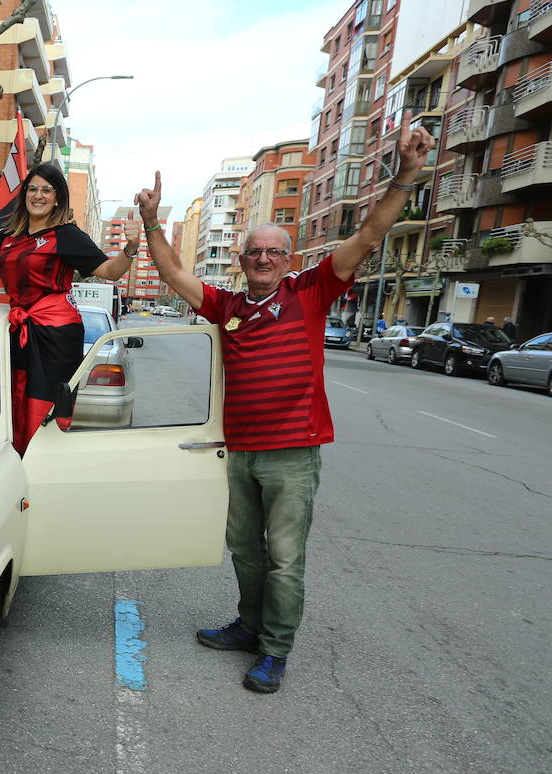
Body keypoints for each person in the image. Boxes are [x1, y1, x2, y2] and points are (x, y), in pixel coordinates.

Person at [135, 115, 435, 694]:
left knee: (284, 559)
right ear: (241, 260)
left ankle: (275, 650)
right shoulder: (226, 306)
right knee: (245, 551)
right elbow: (171, 271)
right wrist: (150, 221)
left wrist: (406, 175)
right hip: (240, 451)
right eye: (255, 252)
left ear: (288, 258)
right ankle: (249, 626)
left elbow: (368, 237)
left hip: (292, 454)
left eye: (274, 252)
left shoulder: (312, 291)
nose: (264, 259)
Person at [0, 163, 134, 454]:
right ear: (25, 194)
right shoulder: (10, 235)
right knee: (10, 406)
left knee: (44, 414)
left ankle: (41, 471)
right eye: (33, 188)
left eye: (47, 190)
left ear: (57, 198)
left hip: (56, 335)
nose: (39, 195)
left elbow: (109, 271)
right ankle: (12, 469)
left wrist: (129, 248)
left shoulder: (66, 235)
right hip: (18, 330)